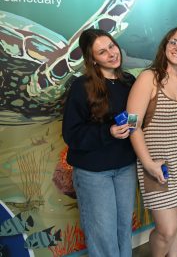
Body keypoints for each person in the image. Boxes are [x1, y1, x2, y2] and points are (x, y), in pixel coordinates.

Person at [62, 28, 137, 257]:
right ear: (93, 59)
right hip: (94, 172)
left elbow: (138, 118)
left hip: (125, 167)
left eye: (112, 46)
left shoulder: (129, 81)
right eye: (102, 52)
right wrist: (108, 132)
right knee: (103, 235)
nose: (111, 54)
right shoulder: (81, 86)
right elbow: (71, 134)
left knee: (124, 229)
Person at [127, 26, 177, 257]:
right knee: (166, 229)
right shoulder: (149, 77)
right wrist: (147, 164)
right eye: (174, 42)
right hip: (158, 166)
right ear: (165, 45)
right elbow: (132, 125)